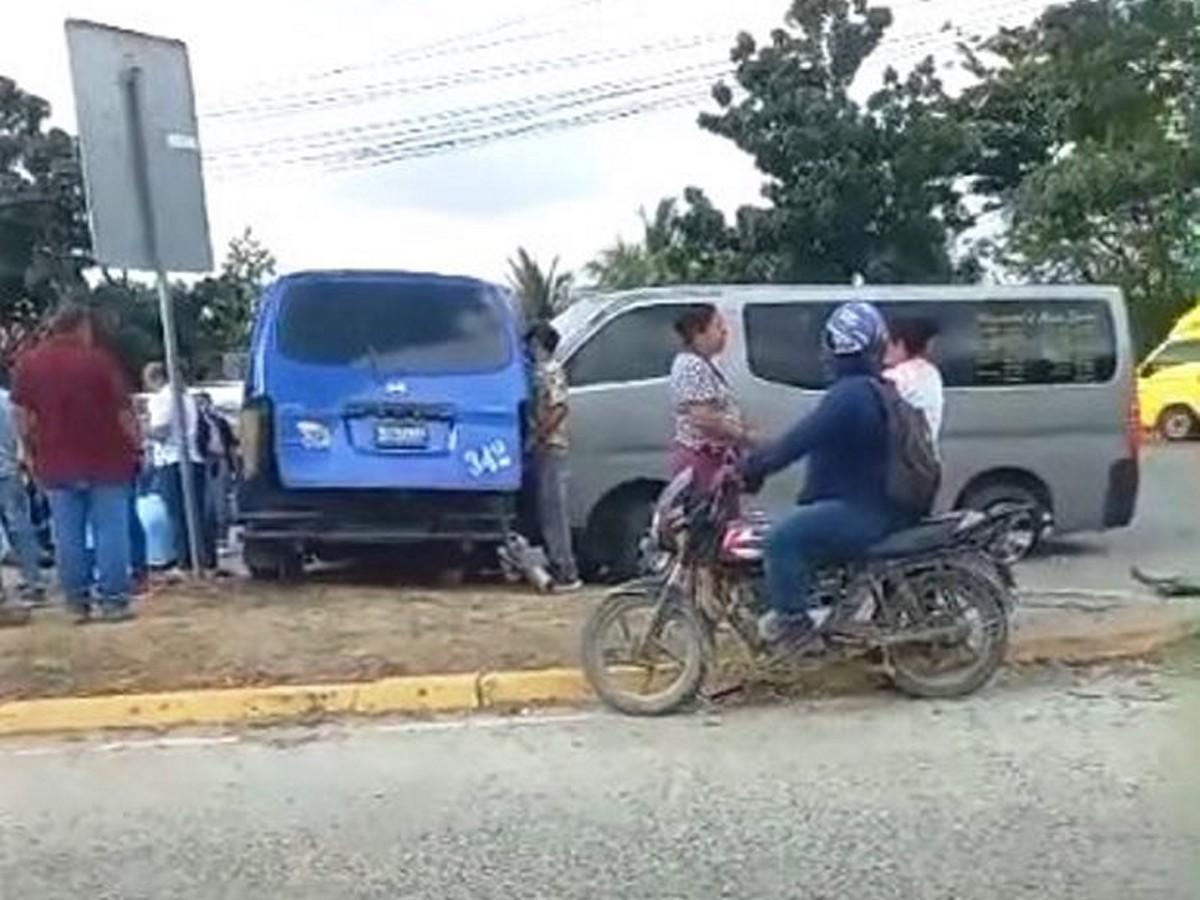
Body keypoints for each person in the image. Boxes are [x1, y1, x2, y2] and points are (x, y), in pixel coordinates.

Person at [740, 301, 899, 649]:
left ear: (835, 348)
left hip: (860, 511)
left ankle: (796, 628)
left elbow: (799, 440)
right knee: (786, 524)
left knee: (781, 538)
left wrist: (754, 467)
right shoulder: (869, 389)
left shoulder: (850, 394)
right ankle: (814, 606)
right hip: (867, 504)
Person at [11, 304, 139, 623]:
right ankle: (114, 601)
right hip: (108, 459)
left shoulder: (29, 364)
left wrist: (30, 454)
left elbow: (23, 418)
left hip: (56, 461)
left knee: (67, 535)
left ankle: (77, 603)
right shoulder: (99, 361)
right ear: (82, 326)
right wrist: (138, 445)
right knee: (110, 532)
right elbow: (124, 412)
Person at [668, 305, 753, 492]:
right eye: (717, 326)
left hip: (715, 458)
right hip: (703, 459)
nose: (724, 332)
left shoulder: (703, 363)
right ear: (699, 333)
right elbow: (704, 419)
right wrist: (744, 436)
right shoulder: (692, 366)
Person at [526, 322, 582, 592]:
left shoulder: (551, 371)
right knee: (548, 511)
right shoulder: (539, 371)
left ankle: (566, 571)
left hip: (552, 445)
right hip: (546, 445)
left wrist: (540, 434)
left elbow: (560, 407)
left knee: (554, 512)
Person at [145, 362, 215, 572]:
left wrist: (142, 428)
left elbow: (161, 431)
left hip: (172, 460)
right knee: (196, 512)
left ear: (154, 378)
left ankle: (184, 560)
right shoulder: (187, 398)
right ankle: (205, 558)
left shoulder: (161, 399)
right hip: (194, 458)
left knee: (177, 513)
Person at [0, 366, 46, 607]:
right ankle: (34, 581)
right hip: (10, 471)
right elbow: (24, 435)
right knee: (21, 526)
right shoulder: (8, 402)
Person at [884, 316, 944, 448]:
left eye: (887, 343)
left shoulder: (895, 378)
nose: (884, 350)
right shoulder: (932, 373)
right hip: (926, 460)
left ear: (900, 344)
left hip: (899, 462)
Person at [196, 392, 237, 553]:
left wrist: (234, 468)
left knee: (222, 502)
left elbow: (231, 445)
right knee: (209, 503)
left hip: (221, 461)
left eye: (205, 403)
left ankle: (222, 539)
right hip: (207, 461)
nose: (203, 407)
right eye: (199, 404)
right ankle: (212, 540)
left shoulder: (220, 422)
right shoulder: (196, 423)